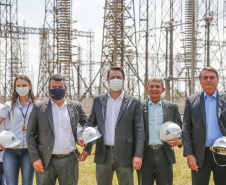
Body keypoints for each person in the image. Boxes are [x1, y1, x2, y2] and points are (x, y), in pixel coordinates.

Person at [78, 66, 145, 185]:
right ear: (107, 80)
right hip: (103, 153)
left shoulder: (133, 102)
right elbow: (90, 124)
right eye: (112, 77)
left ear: (123, 79)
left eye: (118, 77)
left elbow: (139, 130)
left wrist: (138, 155)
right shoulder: (98, 100)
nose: (115, 79)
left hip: (125, 154)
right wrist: (86, 144)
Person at [26, 74, 92, 185]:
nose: (57, 89)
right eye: (54, 87)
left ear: (66, 89)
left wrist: (87, 148)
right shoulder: (39, 107)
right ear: (49, 89)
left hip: (69, 160)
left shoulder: (76, 106)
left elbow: (89, 126)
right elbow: (30, 135)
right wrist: (35, 158)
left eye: (60, 87)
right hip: (45, 161)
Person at [183, 67, 226, 185]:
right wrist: (190, 155)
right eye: (205, 77)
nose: (209, 80)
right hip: (200, 155)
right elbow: (186, 129)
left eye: (212, 77)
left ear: (217, 80)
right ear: (200, 81)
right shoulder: (191, 101)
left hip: (223, 153)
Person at [139, 77, 182, 185]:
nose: (154, 89)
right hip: (145, 154)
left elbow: (181, 130)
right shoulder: (138, 107)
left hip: (164, 153)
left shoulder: (172, 107)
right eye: (152, 86)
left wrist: (180, 141)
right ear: (147, 88)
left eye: (157, 86)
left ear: (163, 90)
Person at [0, 75, 36, 185]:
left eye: (24, 85)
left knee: (27, 183)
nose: (21, 88)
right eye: (18, 86)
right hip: (11, 151)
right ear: (15, 88)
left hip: (29, 151)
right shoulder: (9, 105)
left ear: (30, 87)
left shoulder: (37, 105)